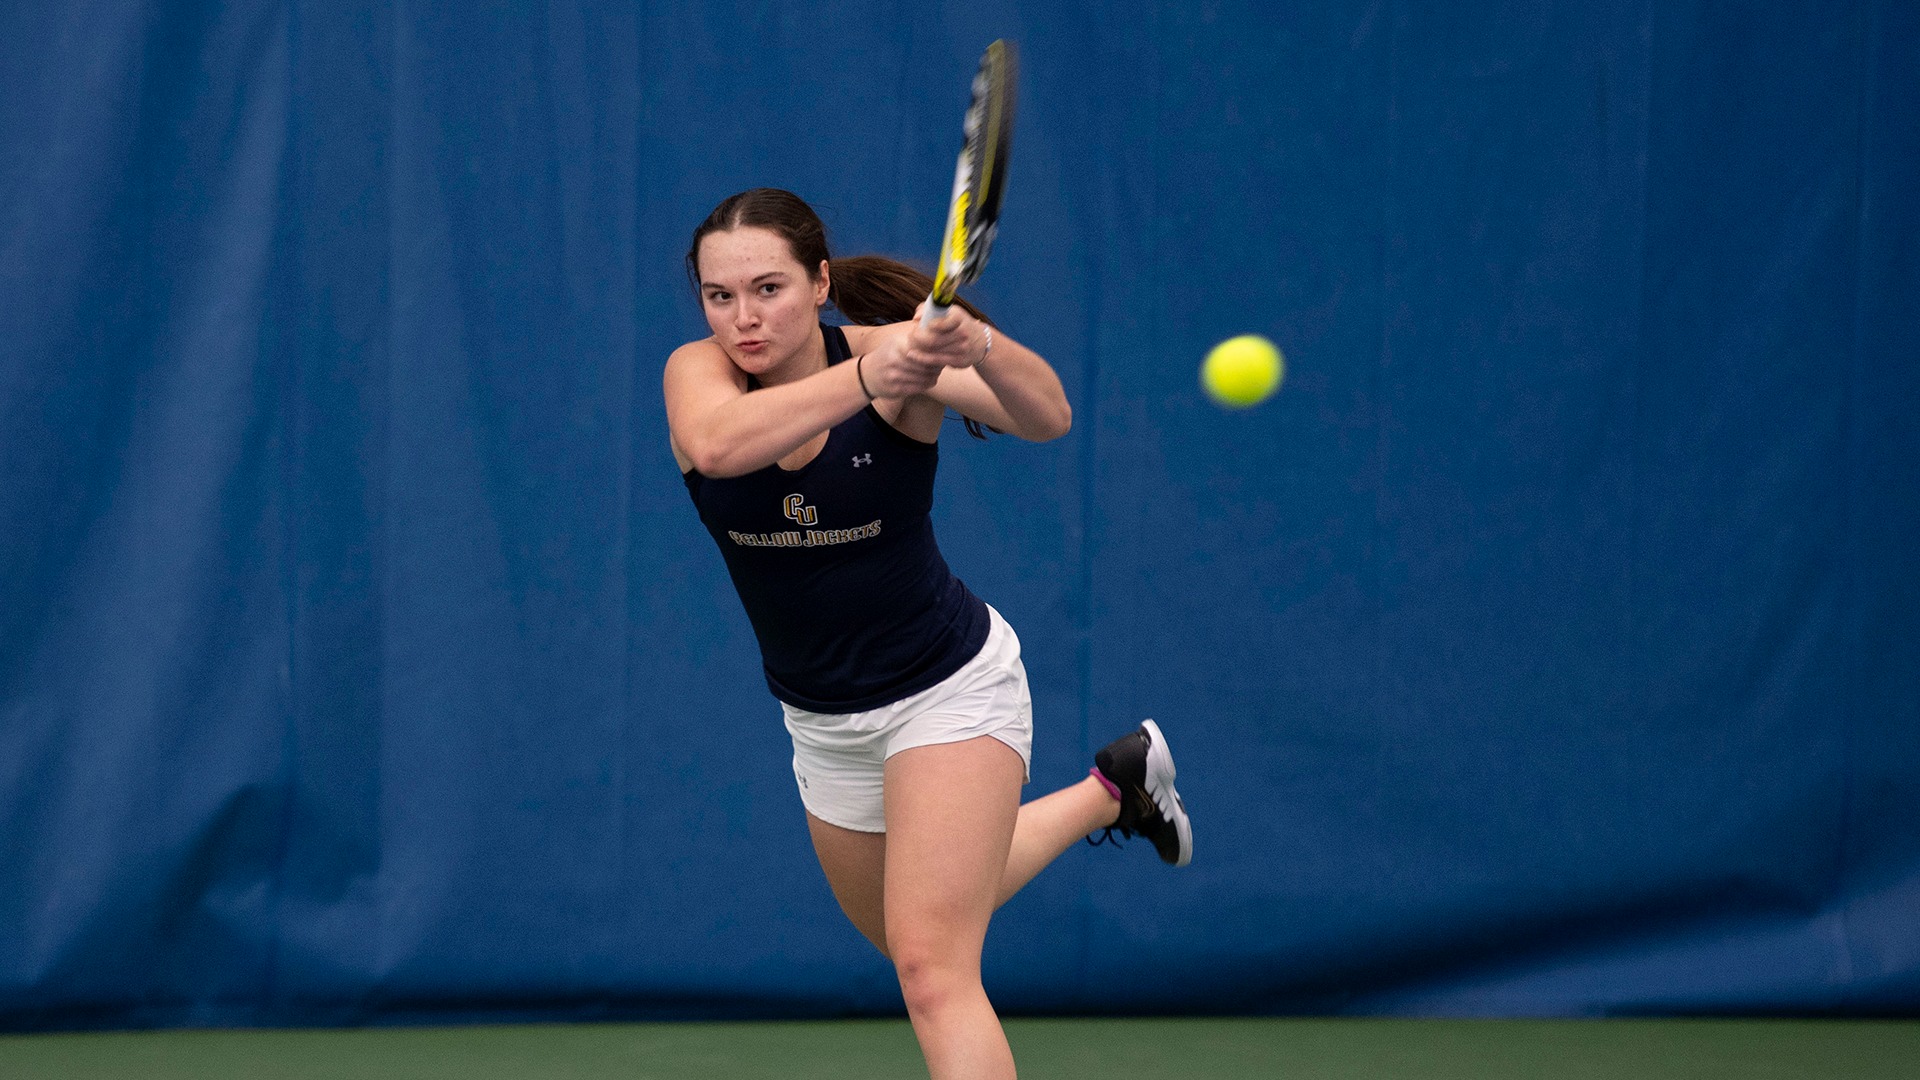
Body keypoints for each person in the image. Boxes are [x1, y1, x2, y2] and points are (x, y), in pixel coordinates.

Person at [664, 188, 1191, 1080]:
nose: (744, 318)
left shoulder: (893, 357)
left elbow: (1049, 416)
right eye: (721, 296)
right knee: (921, 924)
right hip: (823, 720)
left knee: (933, 968)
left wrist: (972, 344)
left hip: (947, 687)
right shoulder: (699, 373)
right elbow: (717, 447)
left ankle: (1118, 788)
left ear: (819, 283)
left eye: (768, 289)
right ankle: (1118, 788)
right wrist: (876, 373)